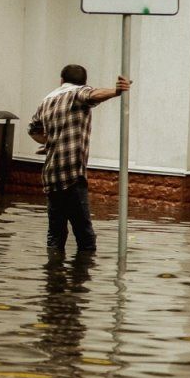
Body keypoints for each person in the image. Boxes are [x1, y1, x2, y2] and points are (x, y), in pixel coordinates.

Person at [28, 64, 131, 254]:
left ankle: (54, 269)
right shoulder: (77, 93)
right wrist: (116, 92)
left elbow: (33, 129)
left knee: (55, 233)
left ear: (61, 80)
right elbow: (92, 95)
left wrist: (52, 141)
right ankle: (82, 270)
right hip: (72, 173)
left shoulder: (47, 100)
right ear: (84, 82)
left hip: (51, 175)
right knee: (85, 235)